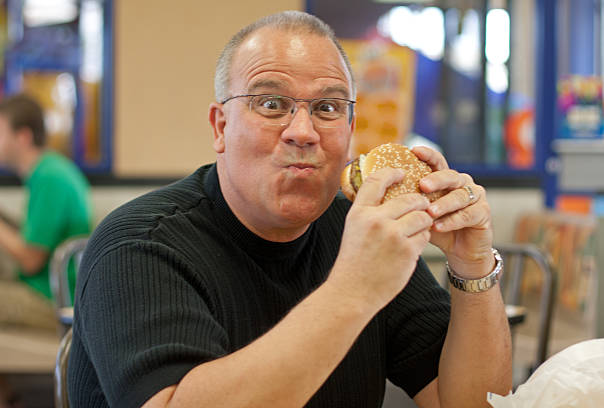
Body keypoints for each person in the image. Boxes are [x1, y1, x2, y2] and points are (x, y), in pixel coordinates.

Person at [68, 11, 511, 408]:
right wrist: (355, 289)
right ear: (221, 127)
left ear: (351, 131)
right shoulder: (140, 243)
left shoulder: (358, 229)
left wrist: (472, 267)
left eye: (328, 108)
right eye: (272, 104)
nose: (303, 132)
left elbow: (474, 404)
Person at [0, 94, 92, 405]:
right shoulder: (47, 172)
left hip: (56, 298)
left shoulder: (50, 177)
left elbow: (31, 259)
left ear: (22, 137)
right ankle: (2, 393)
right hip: (49, 290)